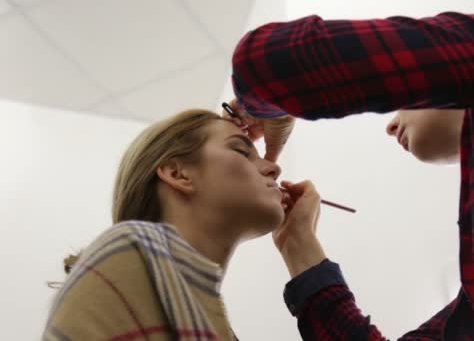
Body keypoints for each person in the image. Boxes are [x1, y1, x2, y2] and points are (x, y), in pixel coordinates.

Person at [228, 12, 474, 340]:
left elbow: (264, 63)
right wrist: (298, 243)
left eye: (404, 103)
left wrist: (265, 113)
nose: (392, 125)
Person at [43, 108, 307, 340]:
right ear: (178, 174)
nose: (273, 168)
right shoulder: (128, 249)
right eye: (241, 150)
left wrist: (300, 242)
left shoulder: (214, 326)